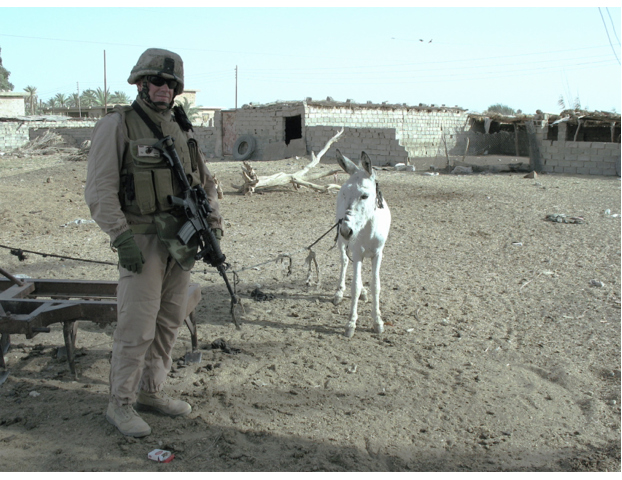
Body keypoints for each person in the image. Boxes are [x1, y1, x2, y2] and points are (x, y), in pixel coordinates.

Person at [85, 48, 223, 438]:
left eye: (171, 83)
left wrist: (212, 218)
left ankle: (150, 392)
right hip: (142, 240)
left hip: (182, 242)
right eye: (156, 81)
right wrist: (120, 236)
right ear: (142, 83)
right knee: (137, 325)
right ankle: (121, 403)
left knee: (168, 322)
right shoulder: (118, 125)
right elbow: (99, 189)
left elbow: (204, 181)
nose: (164, 88)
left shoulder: (180, 129)